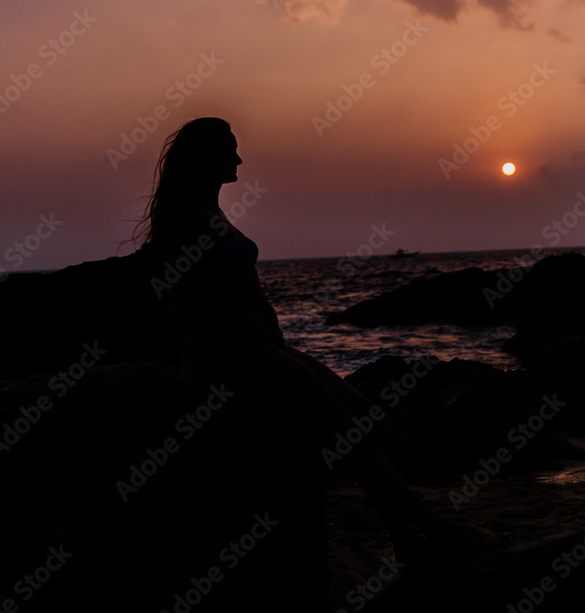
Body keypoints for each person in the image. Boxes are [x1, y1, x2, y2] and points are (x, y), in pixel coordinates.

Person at [132, 116, 504, 564]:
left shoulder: (212, 213)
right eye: (230, 149)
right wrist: (194, 364)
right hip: (248, 355)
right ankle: (439, 532)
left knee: (364, 418)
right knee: (352, 437)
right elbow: (178, 296)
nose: (239, 157)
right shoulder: (194, 220)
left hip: (270, 346)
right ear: (207, 157)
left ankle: (404, 539)